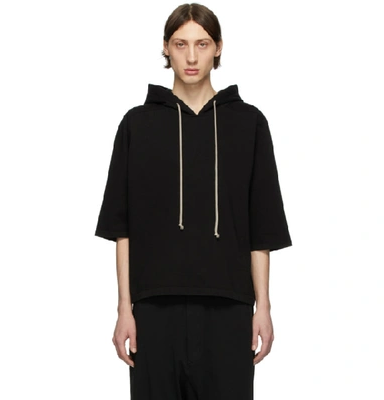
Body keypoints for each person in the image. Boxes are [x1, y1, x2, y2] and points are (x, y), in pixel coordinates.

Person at [94, 3, 292, 399]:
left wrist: (264, 308)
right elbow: (122, 228)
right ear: (165, 48)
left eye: (202, 44)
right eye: (180, 44)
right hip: (153, 309)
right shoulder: (137, 124)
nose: (191, 56)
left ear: (218, 48)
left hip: (230, 307)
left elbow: (261, 227)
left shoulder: (249, 123)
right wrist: (123, 308)